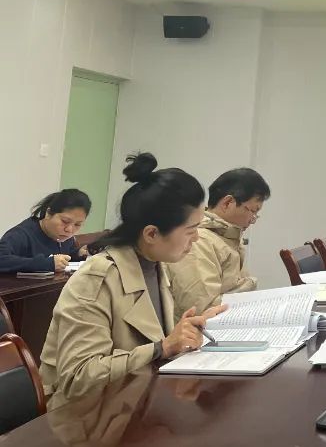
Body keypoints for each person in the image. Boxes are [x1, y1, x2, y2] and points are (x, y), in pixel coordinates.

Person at [39, 152, 226, 408]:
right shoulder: (97, 278)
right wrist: (162, 347)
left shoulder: (155, 264)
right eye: (191, 230)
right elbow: (78, 378)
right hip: (85, 416)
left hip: (133, 403)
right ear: (151, 233)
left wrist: (189, 331)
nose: (196, 238)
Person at [167, 167, 270, 322]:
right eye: (253, 211)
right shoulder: (199, 241)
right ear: (228, 203)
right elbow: (201, 310)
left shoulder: (228, 237)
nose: (253, 220)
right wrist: (250, 285)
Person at [0, 189, 91, 274]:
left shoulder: (65, 238)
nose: (69, 230)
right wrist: (46, 264)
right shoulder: (20, 235)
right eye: (65, 221)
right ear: (48, 213)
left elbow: (67, 254)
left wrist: (78, 254)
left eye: (77, 224)